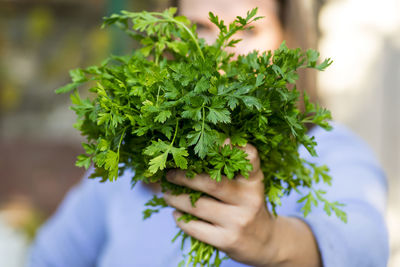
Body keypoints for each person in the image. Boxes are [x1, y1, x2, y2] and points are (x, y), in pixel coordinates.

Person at [28, 0, 389, 266]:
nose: (221, 52)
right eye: (200, 28)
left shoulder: (330, 151)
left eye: (247, 30)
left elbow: (364, 245)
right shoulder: (134, 154)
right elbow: (48, 258)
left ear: (287, 42)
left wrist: (273, 242)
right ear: (169, 40)